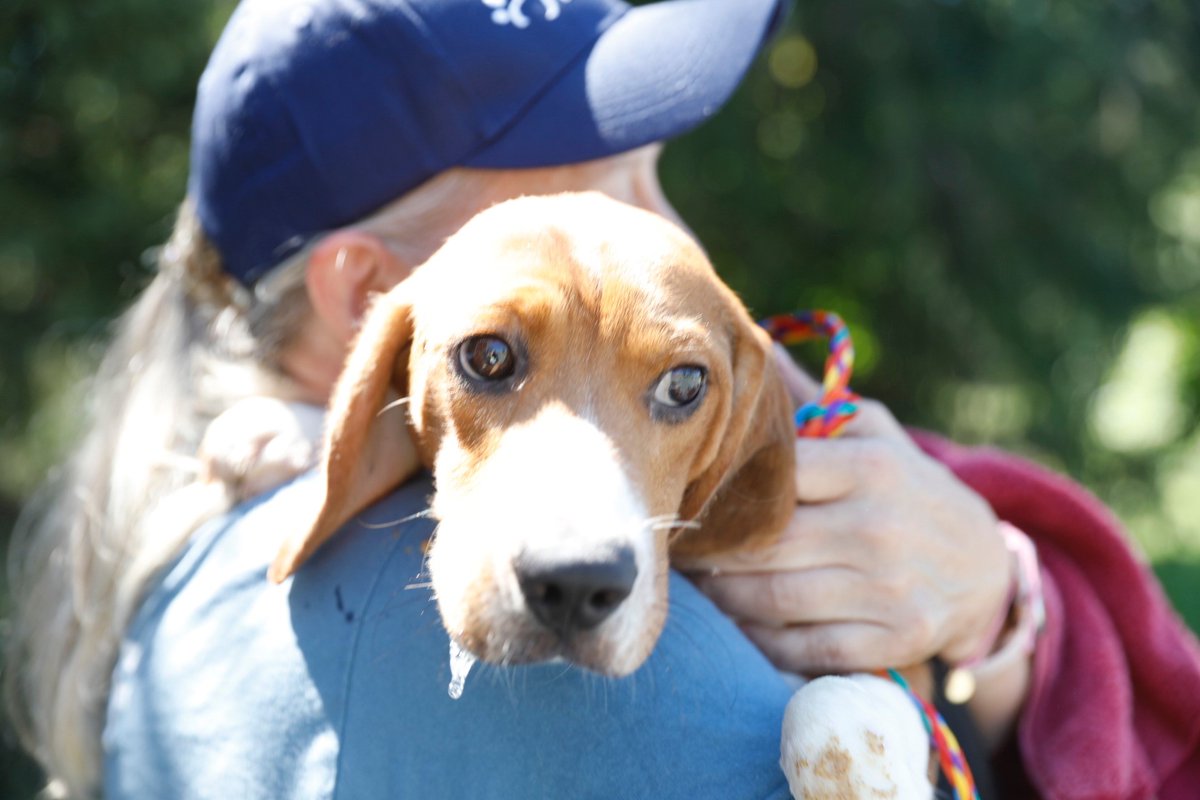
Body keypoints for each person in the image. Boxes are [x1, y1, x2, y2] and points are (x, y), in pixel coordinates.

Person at [6, 0, 1199, 797]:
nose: (672, 231)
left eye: (660, 174)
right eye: (612, 182)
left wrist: (997, 606)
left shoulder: (191, 542)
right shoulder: (627, 696)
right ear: (373, 295)